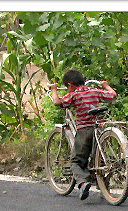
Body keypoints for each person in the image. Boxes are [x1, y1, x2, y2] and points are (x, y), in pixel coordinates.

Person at [49, 69, 116, 200]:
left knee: (76, 161)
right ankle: (105, 188)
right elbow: (112, 95)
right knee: (100, 159)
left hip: (84, 131)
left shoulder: (74, 95)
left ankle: (83, 183)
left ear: (70, 85)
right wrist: (106, 85)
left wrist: (54, 90)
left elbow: (57, 102)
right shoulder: (95, 91)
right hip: (99, 130)